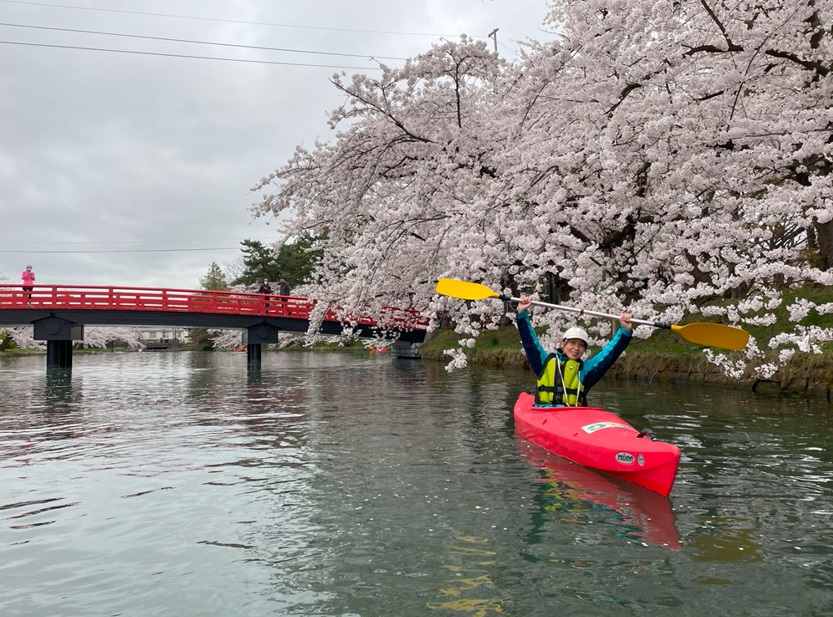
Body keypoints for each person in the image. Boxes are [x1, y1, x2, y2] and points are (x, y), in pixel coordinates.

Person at [515, 294, 633, 407]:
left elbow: (610, 354)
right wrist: (521, 314)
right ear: (562, 344)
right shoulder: (545, 362)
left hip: (573, 416)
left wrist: (624, 332)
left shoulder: (586, 370)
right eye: (572, 343)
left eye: (581, 345)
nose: (576, 348)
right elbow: (530, 343)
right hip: (545, 413)